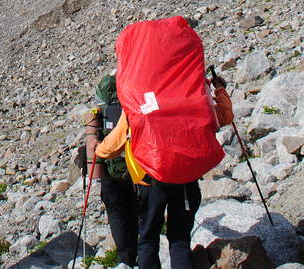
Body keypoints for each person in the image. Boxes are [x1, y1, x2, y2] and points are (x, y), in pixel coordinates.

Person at [97, 74, 233, 269]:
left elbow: (112, 146)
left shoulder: (140, 99)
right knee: (180, 239)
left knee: (148, 238)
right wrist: (219, 90)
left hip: (151, 179)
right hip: (186, 178)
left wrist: (97, 149)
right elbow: (225, 116)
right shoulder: (191, 97)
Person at [84, 74, 138, 269]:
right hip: (134, 166)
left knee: (117, 213)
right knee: (134, 210)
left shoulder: (102, 101)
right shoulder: (133, 97)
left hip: (108, 169)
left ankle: (126, 259)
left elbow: (93, 134)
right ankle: (141, 252)